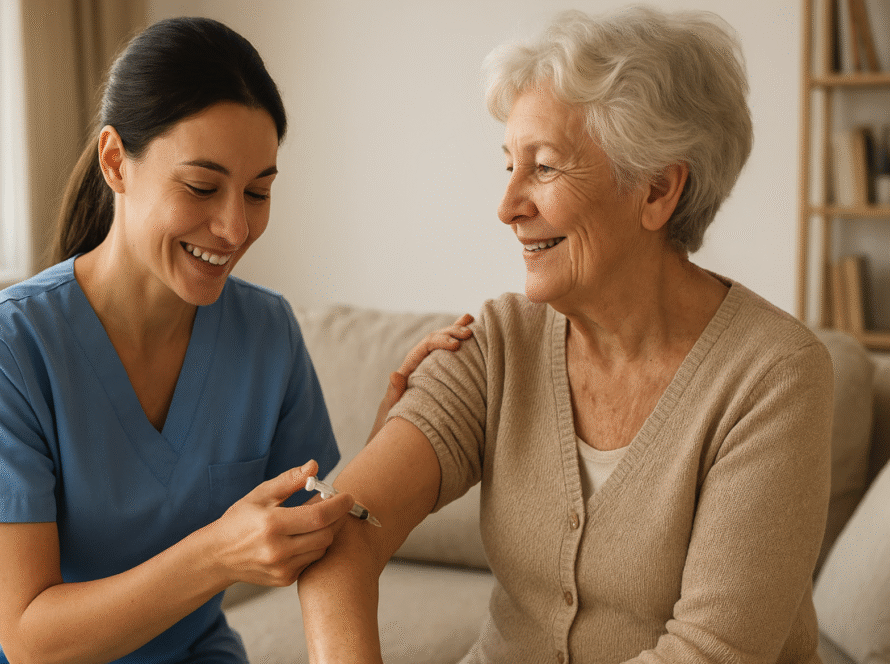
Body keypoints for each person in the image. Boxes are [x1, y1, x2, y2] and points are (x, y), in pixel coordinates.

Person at [297, 6, 834, 663]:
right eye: (509, 166)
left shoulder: (773, 376)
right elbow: (341, 533)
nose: (508, 207)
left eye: (544, 168)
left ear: (658, 189)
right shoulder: (498, 346)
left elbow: (711, 653)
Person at [0, 16, 471, 664]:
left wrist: (393, 435)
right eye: (201, 187)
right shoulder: (15, 349)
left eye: (258, 191)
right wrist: (218, 552)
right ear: (116, 161)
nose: (233, 226)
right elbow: (29, 639)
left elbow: (317, 525)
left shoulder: (266, 334)